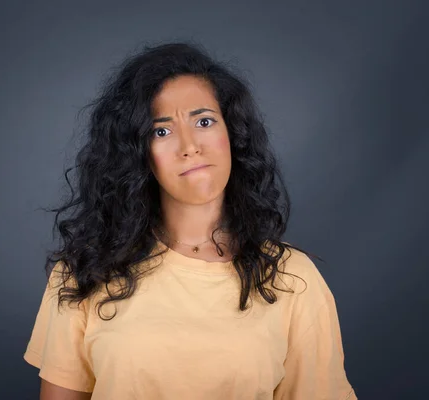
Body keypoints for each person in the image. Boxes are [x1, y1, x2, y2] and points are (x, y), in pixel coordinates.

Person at [23, 41, 357, 400]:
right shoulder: (86, 270)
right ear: (137, 153)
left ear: (233, 134)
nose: (189, 145)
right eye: (161, 131)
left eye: (204, 121)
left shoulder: (295, 278)